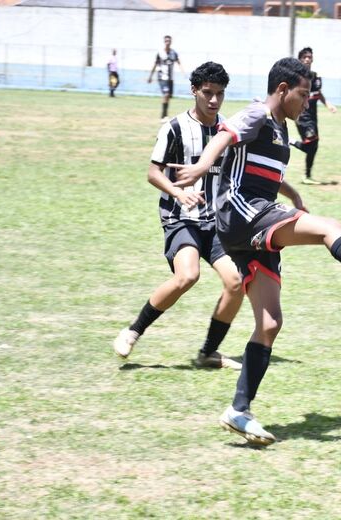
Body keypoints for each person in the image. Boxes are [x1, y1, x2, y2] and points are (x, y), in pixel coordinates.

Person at [171, 57, 341, 445]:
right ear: (283, 90)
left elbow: (259, 172)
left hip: (252, 223)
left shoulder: (280, 131)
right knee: (330, 229)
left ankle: (239, 410)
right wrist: (200, 167)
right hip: (240, 215)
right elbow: (223, 137)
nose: (307, 102)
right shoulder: (259, 114)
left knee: (270, 324)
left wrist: (292, 192)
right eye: (303, 94)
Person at [113, 61, 245, 370]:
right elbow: (152, 173)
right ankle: (133, 332)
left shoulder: (227, 129)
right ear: (194, 91)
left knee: (236, 282)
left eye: (220, 94)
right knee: (187, 275)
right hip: (180, 217)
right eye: (208, 93)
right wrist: (178, 192)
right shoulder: (174, 127)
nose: (214, 101)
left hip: (214, 221)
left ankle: (208, 353)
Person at [290, 46, 337, 185]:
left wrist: (328, 104)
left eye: (309, 57)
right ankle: (290, 141)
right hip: (302, 115)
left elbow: (318, 94)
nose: (307, 59)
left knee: (314, 145)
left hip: (313, 115)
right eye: (304, 57)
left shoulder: (315, 77)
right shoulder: (295, 77)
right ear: (299, 60)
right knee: (311, 142)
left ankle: (307, 176)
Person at [148, 35, 185, 120]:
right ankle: (163, 116)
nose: (167, 42)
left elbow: (178, 61)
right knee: (166, 94)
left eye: (169, 41)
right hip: (162, 77)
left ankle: (165, 114)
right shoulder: (160, 53)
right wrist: (150, 76)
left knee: (169, 96)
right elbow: (155, 64)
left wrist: (183, 72)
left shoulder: (173, 53)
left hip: (170, 78)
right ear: (164, 42)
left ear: (171, 42)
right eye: (166, 41)